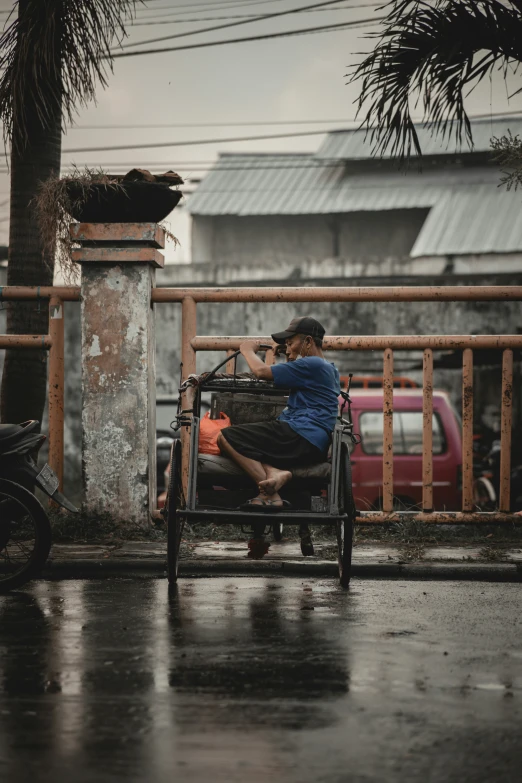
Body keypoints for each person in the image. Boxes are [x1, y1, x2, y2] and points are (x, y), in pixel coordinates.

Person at [217, 316, 340, 510]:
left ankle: (271, 494)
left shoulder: (312, 364)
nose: (288, 349)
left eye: (291, 343)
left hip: (301, 433)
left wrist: (247, 350)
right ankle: (276, 474)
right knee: (258, 447)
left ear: (308, 341)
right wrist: (290, 357)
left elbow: (261, 372)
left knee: (226, 436)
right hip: (315, 442)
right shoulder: (328, 368)